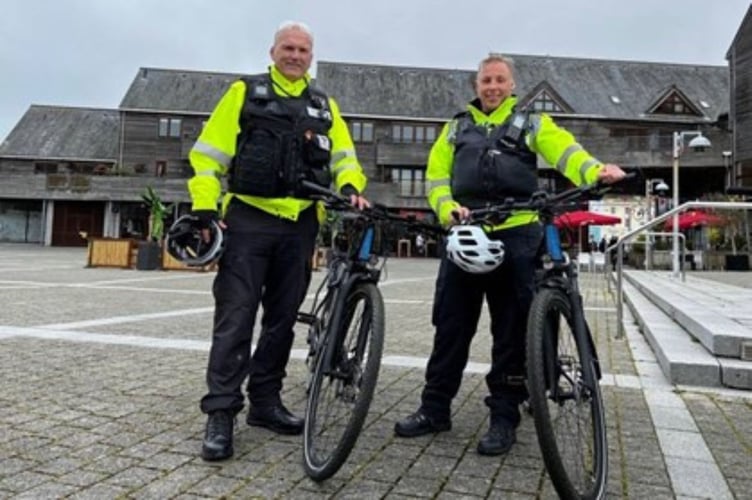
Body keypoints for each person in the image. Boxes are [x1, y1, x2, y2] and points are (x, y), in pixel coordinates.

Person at [394, 53, 625, 456]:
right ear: (476, 86)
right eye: (486, 81)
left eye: (500, 80)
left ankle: (504, 416)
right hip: (464, 237)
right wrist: (447, 207)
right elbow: (435, 178)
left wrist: (594, 171)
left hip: (518, 237)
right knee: (450, 328)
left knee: (512, 333)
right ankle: (434, 409)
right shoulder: (455, 129)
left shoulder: (532, 123)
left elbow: (565, 152)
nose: (493, 87)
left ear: (512, 85)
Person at [189, 20, 369, 461]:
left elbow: (346, 158)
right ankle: (221, 413)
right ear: (273, 53)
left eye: (303, 50)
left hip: (300, 225)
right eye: (287, 48)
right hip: (248, 221)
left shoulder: (325, 105)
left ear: (311, 57)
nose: (295, 55)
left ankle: (265, 403)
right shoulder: (244, 93)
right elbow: (209, 154)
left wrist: (350, 188)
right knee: (236, 317)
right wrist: (205, 208)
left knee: (282, 321)